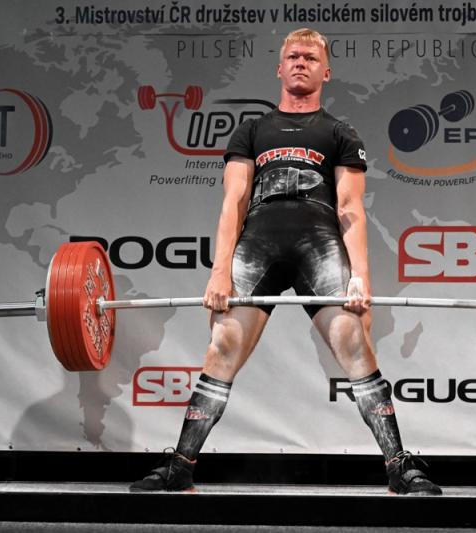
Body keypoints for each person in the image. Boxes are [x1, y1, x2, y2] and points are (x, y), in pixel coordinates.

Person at [131, 28, 441, 496]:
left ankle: (399, 468)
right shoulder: (252, 131)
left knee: (353, 341)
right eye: (293, 56)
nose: (301, 63)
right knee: (221, 347)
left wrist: (360, 277)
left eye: (311, 58)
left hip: (319, 242)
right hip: (258, 242)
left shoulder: (340, 132)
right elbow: (234, 203)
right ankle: (180, 466)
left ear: (326, 71)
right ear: (279, 68)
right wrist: (219, 272)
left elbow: (350, 209)